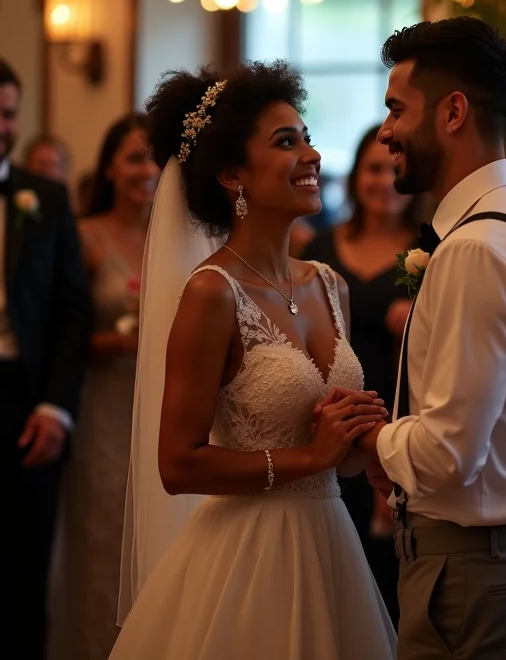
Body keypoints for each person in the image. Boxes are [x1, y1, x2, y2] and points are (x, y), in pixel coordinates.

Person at [112, 61, 396, 659]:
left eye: (308, 137)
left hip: (332, 542)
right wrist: (307, 456)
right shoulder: (212, 293)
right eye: (285, 142)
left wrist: (355, 440)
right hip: (250, 554)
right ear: (232, 174)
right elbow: (177, 465)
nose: (311, 155)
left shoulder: (329, 284)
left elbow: (330, 455)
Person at [355, 17, 506, 659]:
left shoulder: (478, 248)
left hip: (475, 581)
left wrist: (366, 436)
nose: (387, 130)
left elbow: (450, 453)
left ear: (452, 112)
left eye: (397, 108)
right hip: (505, 564)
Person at [0, 57, 91, 660]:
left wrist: (54, 408)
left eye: (8, 114)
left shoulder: (47, 198)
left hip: (27, 404)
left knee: (25, 579)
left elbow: (73, 311)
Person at [303, 124, 423, 625]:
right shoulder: (317, 246)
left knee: (386, 578)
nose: (383, 180)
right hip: (326, 417)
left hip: (397, 414)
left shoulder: (428, 248)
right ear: (355, 177)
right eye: (373, 168)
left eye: (394, 169)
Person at [49, 114, 158, 660]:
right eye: (134, 157)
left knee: (160, 545)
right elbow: (60, 338)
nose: (146, 170)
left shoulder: (183, 240)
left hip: (164, 408)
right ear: (111, 166)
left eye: (154, 158)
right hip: (105, 407)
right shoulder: (85, 237)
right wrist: (118, 344)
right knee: (103, 541)